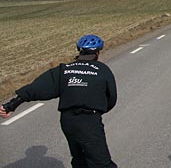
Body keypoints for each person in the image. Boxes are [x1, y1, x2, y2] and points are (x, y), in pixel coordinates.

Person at [0, 34, 118, 168]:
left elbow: (37, 88)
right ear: (97, 53)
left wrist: (11, 105)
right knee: (101, 162)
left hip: (68, 121)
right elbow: (111, 97)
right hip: (89, 120)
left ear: (80, 51)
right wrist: (98, 111)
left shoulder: (64, 70)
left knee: (79, 159)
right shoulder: (103, 70)